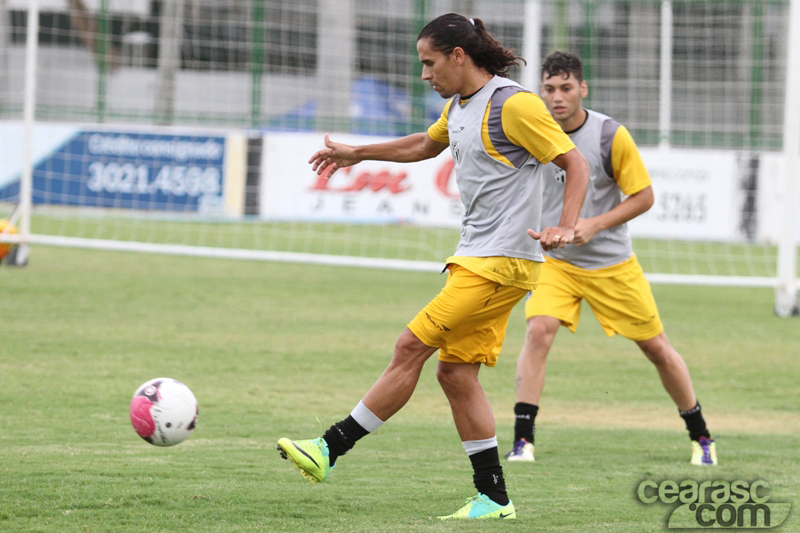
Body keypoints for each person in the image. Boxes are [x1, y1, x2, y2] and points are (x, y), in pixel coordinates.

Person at [277, 14, 590, 520]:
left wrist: (566, 225)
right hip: (478, 257)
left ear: (459, 56)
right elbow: (426, 144)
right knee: (456, 374)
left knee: (411, 345)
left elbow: (575, 164)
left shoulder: (515, 105)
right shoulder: (460, 106)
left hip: (500, 262)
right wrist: (358, 153)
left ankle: (329, 448)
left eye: (430, 62)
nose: (424, 74)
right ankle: (494, 498)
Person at [504, 51, 717, 466]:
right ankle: (522, 441)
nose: (557, 97)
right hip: (558, 264)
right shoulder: (532, 131)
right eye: (548, 89)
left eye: (566, 88)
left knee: (656, 348)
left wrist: (594, 224)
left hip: (611, 265)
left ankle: (701, 436)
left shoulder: (609, 135)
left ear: (583, 89)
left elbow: (644, 197)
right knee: (538, 331)